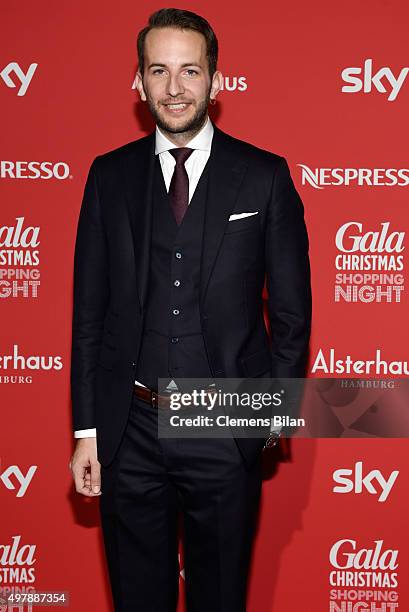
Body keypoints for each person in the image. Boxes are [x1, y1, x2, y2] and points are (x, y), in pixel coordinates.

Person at [69, 8, 311, 611]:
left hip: (224, 421)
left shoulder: (264, 177)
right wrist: (87, 430)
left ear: (216, 80)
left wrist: (268, 416)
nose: (174, 88)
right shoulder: (109, 176)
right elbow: (89, 314)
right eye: (159, 71)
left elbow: (291, 313)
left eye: (189, 71)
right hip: (130, 427)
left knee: (221, 597)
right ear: (139, 82)